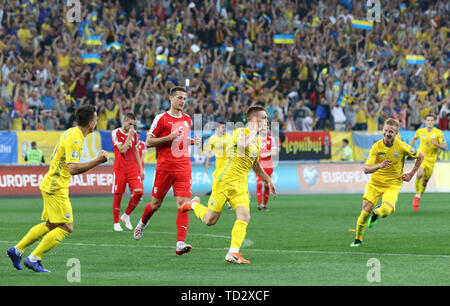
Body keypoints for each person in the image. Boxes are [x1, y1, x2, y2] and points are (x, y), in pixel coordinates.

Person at [6, 105, 108, 272]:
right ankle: (34, 258)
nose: (97, 122)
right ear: (91, 123)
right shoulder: (75, 138)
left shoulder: (72, 132)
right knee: (67, 227)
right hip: (56, 187)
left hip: (52, 183)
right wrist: (98, 161)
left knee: (51, 225)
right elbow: (73, 168)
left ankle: (17, 250)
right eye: (96, 119)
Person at [179, 106, 277, 264]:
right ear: (254, 120)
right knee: (209, 221)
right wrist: (254, 129)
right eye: (264, 118)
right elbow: (243, 144)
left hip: (240, 186)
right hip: (224, 182)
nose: (268, 121)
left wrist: (268, 180)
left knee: (245, 216)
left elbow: (255, 165)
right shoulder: (239, 132)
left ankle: (233, 253)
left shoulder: (258, 140)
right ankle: (194, 204)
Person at [133, 86, 201, 256]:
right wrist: (168, 138)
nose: (182, 101)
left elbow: (181, 140)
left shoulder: (186, 119)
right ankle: (142, 223)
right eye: (179, 98)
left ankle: (180, 243)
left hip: (183, 167)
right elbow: (148, 142)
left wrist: (192, 141)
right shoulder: (161, 119)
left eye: (184, 99)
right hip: (165, 168)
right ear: (170, 98)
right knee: (155, 204)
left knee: (183, 205)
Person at [350, 118, 424, 247]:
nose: (387, 133)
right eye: (386, 130)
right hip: (375, 184)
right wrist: (379, 165)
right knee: (364, 211)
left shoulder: (402, 146)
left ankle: (377, 212)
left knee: (385, 211)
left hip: (393, 185)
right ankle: (358, 239)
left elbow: (420, 156)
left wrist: (412, 174)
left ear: (396, 133)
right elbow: (366, 169)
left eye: (391, 131)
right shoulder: (376, 147)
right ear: (382, 130)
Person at [111, 112, 145, 231]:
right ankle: (116, 223)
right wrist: (129, 135)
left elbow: (135, 149)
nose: (132, 127)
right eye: (130, 124)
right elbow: (123, 150)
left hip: (132, 169)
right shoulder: (115, 133)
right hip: (120, 169)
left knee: (139, 192)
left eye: (133, 125)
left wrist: (141, 168)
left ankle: (126, 215)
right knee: (118, 196)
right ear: (124, 121)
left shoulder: (134, 134)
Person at [409, 114, 447, 211]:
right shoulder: (420, 131)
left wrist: (436, 144)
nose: (430, 122)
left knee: (425, 182)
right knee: (419, 174)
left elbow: (444, 147)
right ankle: (417, 196)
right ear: (425, 122)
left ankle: (418, 196)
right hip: (421, 157)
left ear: (434, 122)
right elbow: (414, 139)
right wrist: (408, 149)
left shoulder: (438, 133)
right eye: (428, 120)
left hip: (431, 160)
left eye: (431, 120)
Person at [256, 126, 278, 211]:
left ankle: (264, 205)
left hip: (269, 166)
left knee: (267, 186)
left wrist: (266, 154)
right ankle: (260, 204)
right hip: (259, 165)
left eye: (267, 128)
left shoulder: (271, 139)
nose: (267, 130)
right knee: (259, 184)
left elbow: (275, 151)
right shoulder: (256, 139)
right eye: (265, 128)